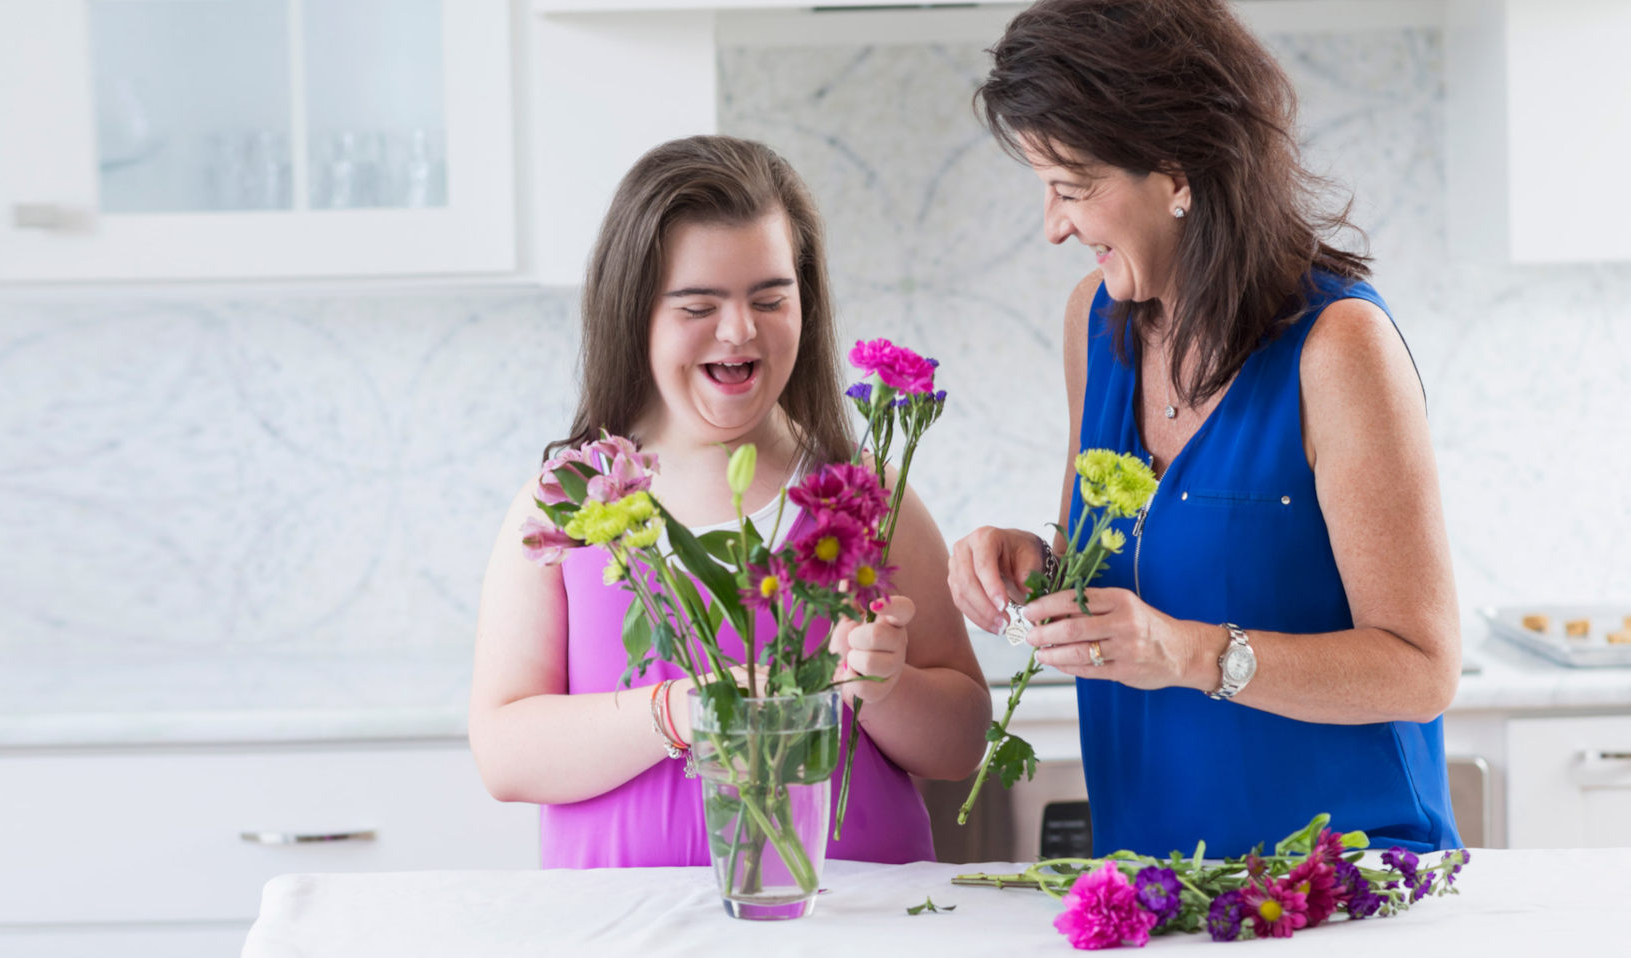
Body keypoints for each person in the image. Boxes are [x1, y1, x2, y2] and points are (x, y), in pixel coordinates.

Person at [948, 0, 1463, 859]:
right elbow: (1135, 562)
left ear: (1177, 169)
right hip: (1156, 880)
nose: (1053, 226)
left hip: (1340, 882)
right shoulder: (1096, 325)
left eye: (1072, 188)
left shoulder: (1338, 350)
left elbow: (1421, 669)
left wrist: (1189, 654)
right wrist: (1039, 569)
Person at [470, 135, 991, 868]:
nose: (740, 330)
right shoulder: (566, 506)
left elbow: (962, 744)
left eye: (770, 298)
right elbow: (504, 753)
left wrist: (888, 687)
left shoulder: (867, 497)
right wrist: (684, 710)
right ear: (635, 314)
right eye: (699, 305)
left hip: (853, 931)